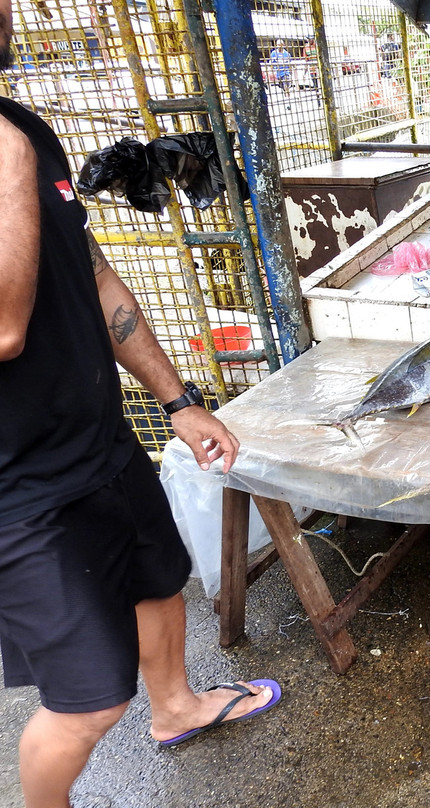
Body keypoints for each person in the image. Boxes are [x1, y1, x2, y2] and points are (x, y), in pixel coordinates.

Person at [0, 4, 282, 806]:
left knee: (159, 579)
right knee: (89, 701)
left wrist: (178, 401)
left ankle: (180, 707)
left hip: (99, 437)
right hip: (20, 491)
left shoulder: (22, 126)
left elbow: (90, 275)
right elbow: (4, 327)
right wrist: (7, 161)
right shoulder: (9, 145)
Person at [269, 38, 292, 106]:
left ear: (283, 45)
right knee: (283, 87)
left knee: (286, 86)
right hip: (279, 73)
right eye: (278, 44)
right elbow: (271, 64)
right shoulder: (274, 53)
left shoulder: (287, 54)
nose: (279, 46)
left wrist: (291, 74)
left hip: (285, 72)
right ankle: (287, 99)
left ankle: (288, 102)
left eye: (280, 44)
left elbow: (290, 64)